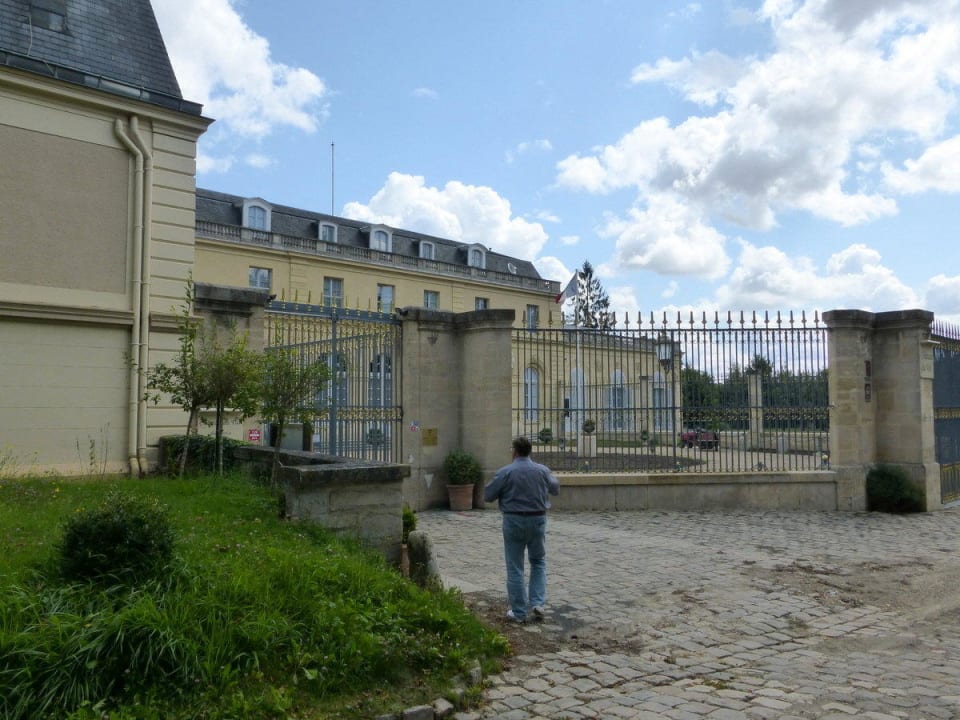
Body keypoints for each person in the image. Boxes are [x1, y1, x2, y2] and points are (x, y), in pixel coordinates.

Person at [483, 436, 560, 623]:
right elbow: (555, 488)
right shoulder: (542, 470)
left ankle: (518, 612)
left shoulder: (505, 472)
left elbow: (488, 495)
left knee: (515, 566)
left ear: (515, 451)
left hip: (513, 520)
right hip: (537, 520)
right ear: (530, 451)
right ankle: (537, 602)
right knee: (538, 561)